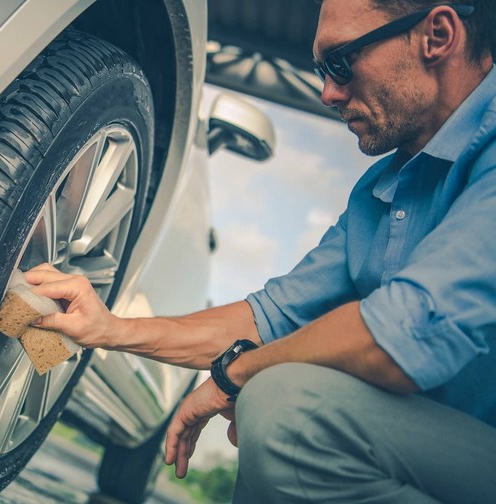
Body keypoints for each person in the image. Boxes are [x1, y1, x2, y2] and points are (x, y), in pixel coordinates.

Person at [25, 0, 496, 501]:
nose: (328, 93)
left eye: (340, 62)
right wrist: (111, 329)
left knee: (285, 406)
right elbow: (267, 317)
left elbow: (405, 331)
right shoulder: (380, 191)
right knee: (274, 413)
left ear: (437, 36)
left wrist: (236, 373)